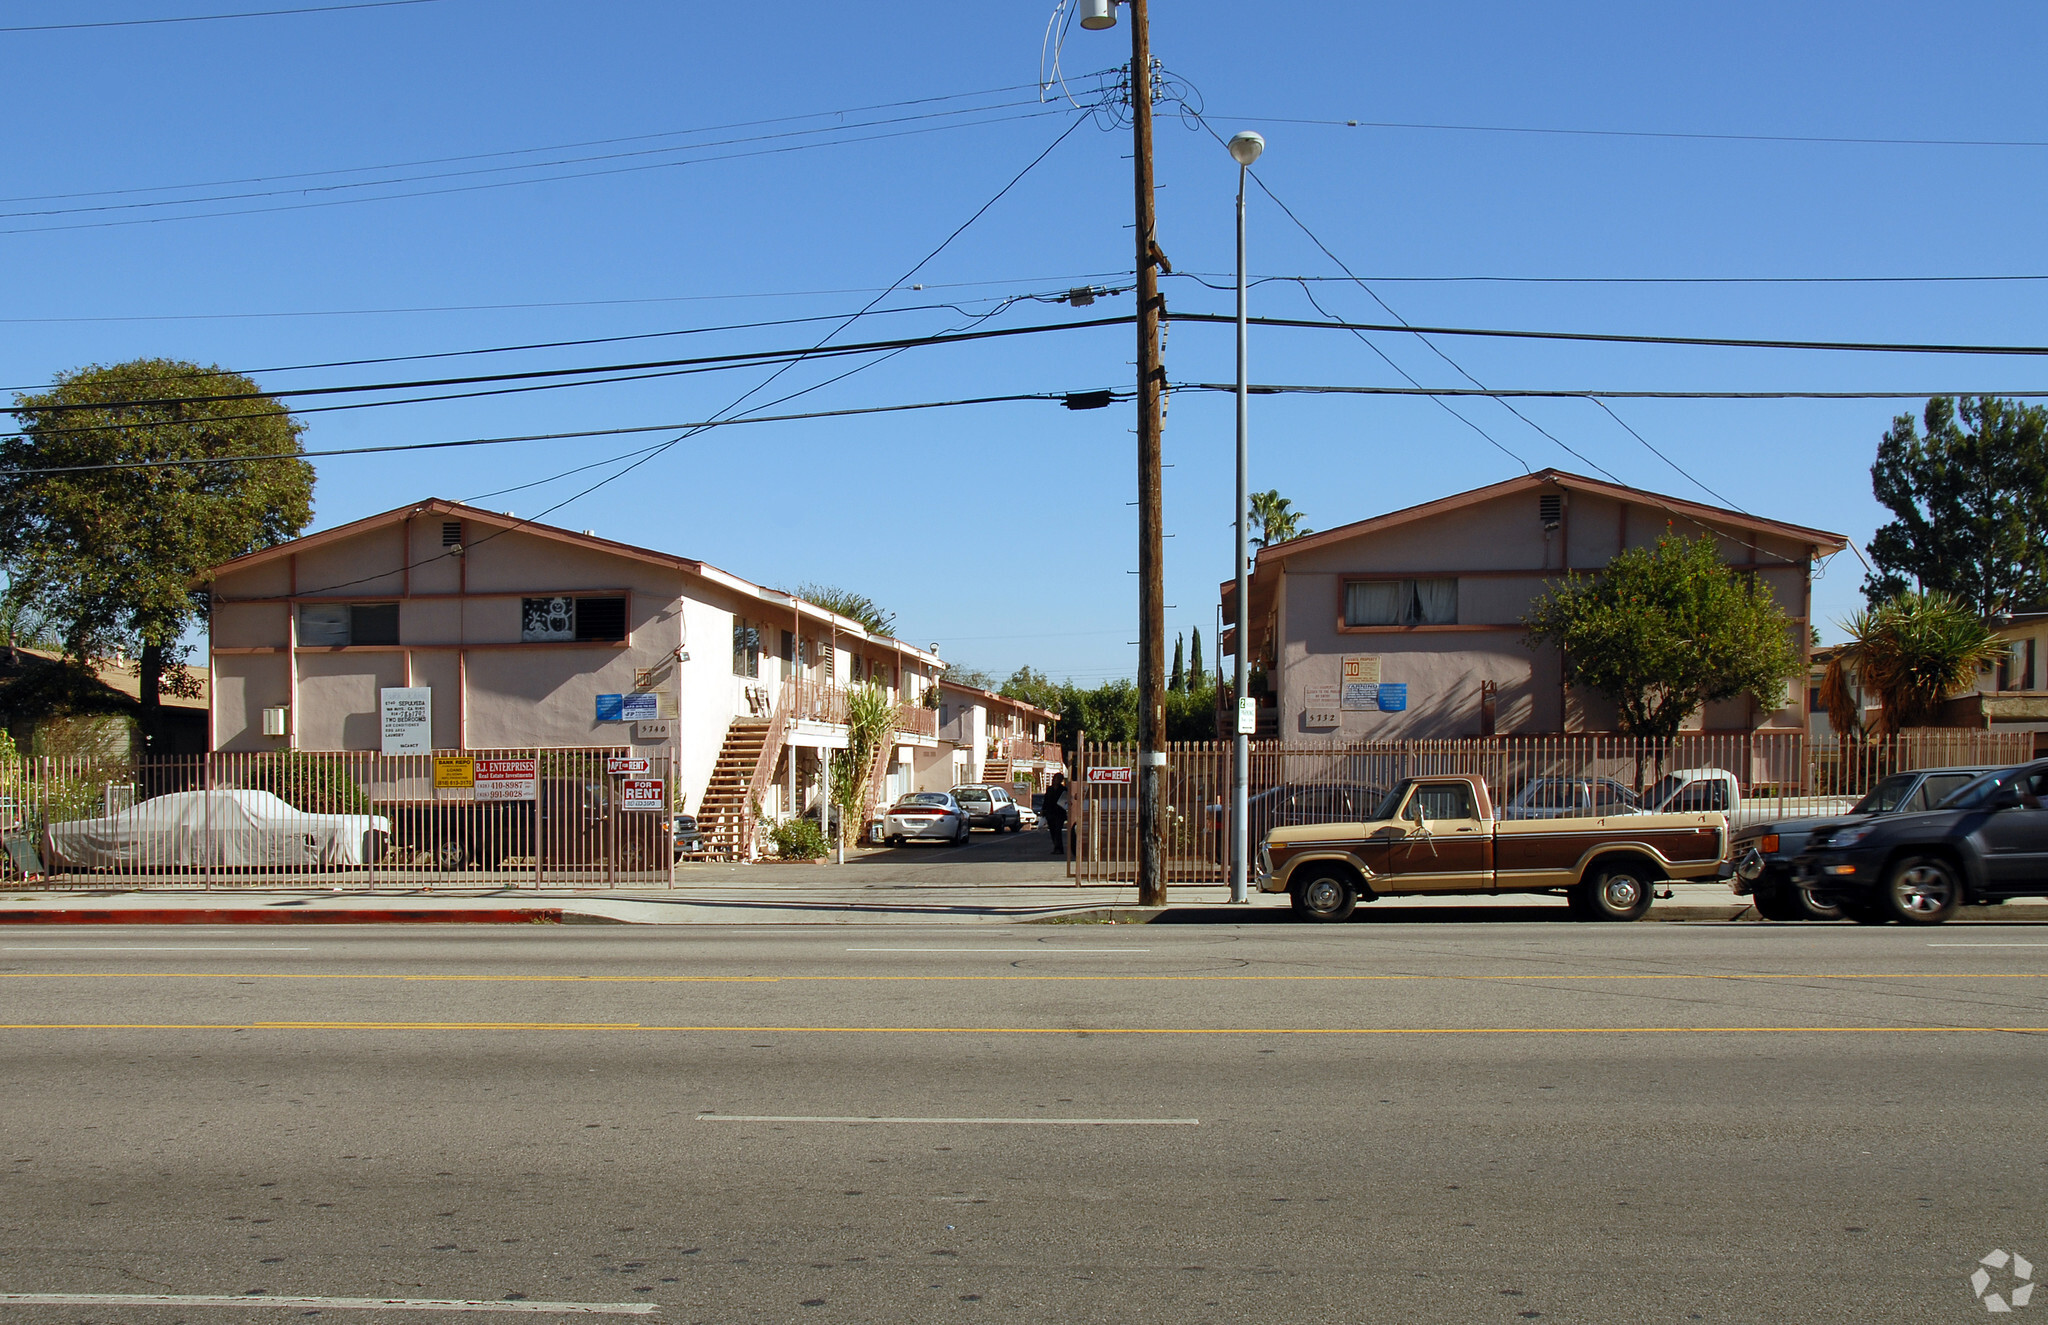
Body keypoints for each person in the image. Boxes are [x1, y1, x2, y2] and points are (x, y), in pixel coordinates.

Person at [1043, 773, 1069, 855]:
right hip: (1050, 813)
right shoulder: (1049, 789)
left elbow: (1065, 801)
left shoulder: (1064, 789)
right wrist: (1043, 810)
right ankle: (1056, 847)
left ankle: (1059, 848)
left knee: (1058, 831)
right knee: (1052, 831)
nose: (1057, 780)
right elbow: (1046, 800)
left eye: (1059, 779)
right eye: (1056, 778)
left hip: (1059, 813)